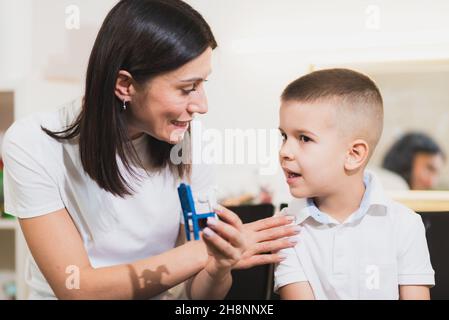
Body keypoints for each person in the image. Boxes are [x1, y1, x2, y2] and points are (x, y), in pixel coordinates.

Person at [1, 0, 298, 300]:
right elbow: (79, 289)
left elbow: (199, 297)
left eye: (202, 84)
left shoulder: (193, 143)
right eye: (187, 88)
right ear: (125, 85)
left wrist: (218, 265)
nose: (202, 106)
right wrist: (201, 252)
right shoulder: (32, 143)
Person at [274, 68, 434, 300]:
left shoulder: (405, 224)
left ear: (354, 154)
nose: (285, 151)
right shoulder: (285, 230)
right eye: (284, 136)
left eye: (304, 138)